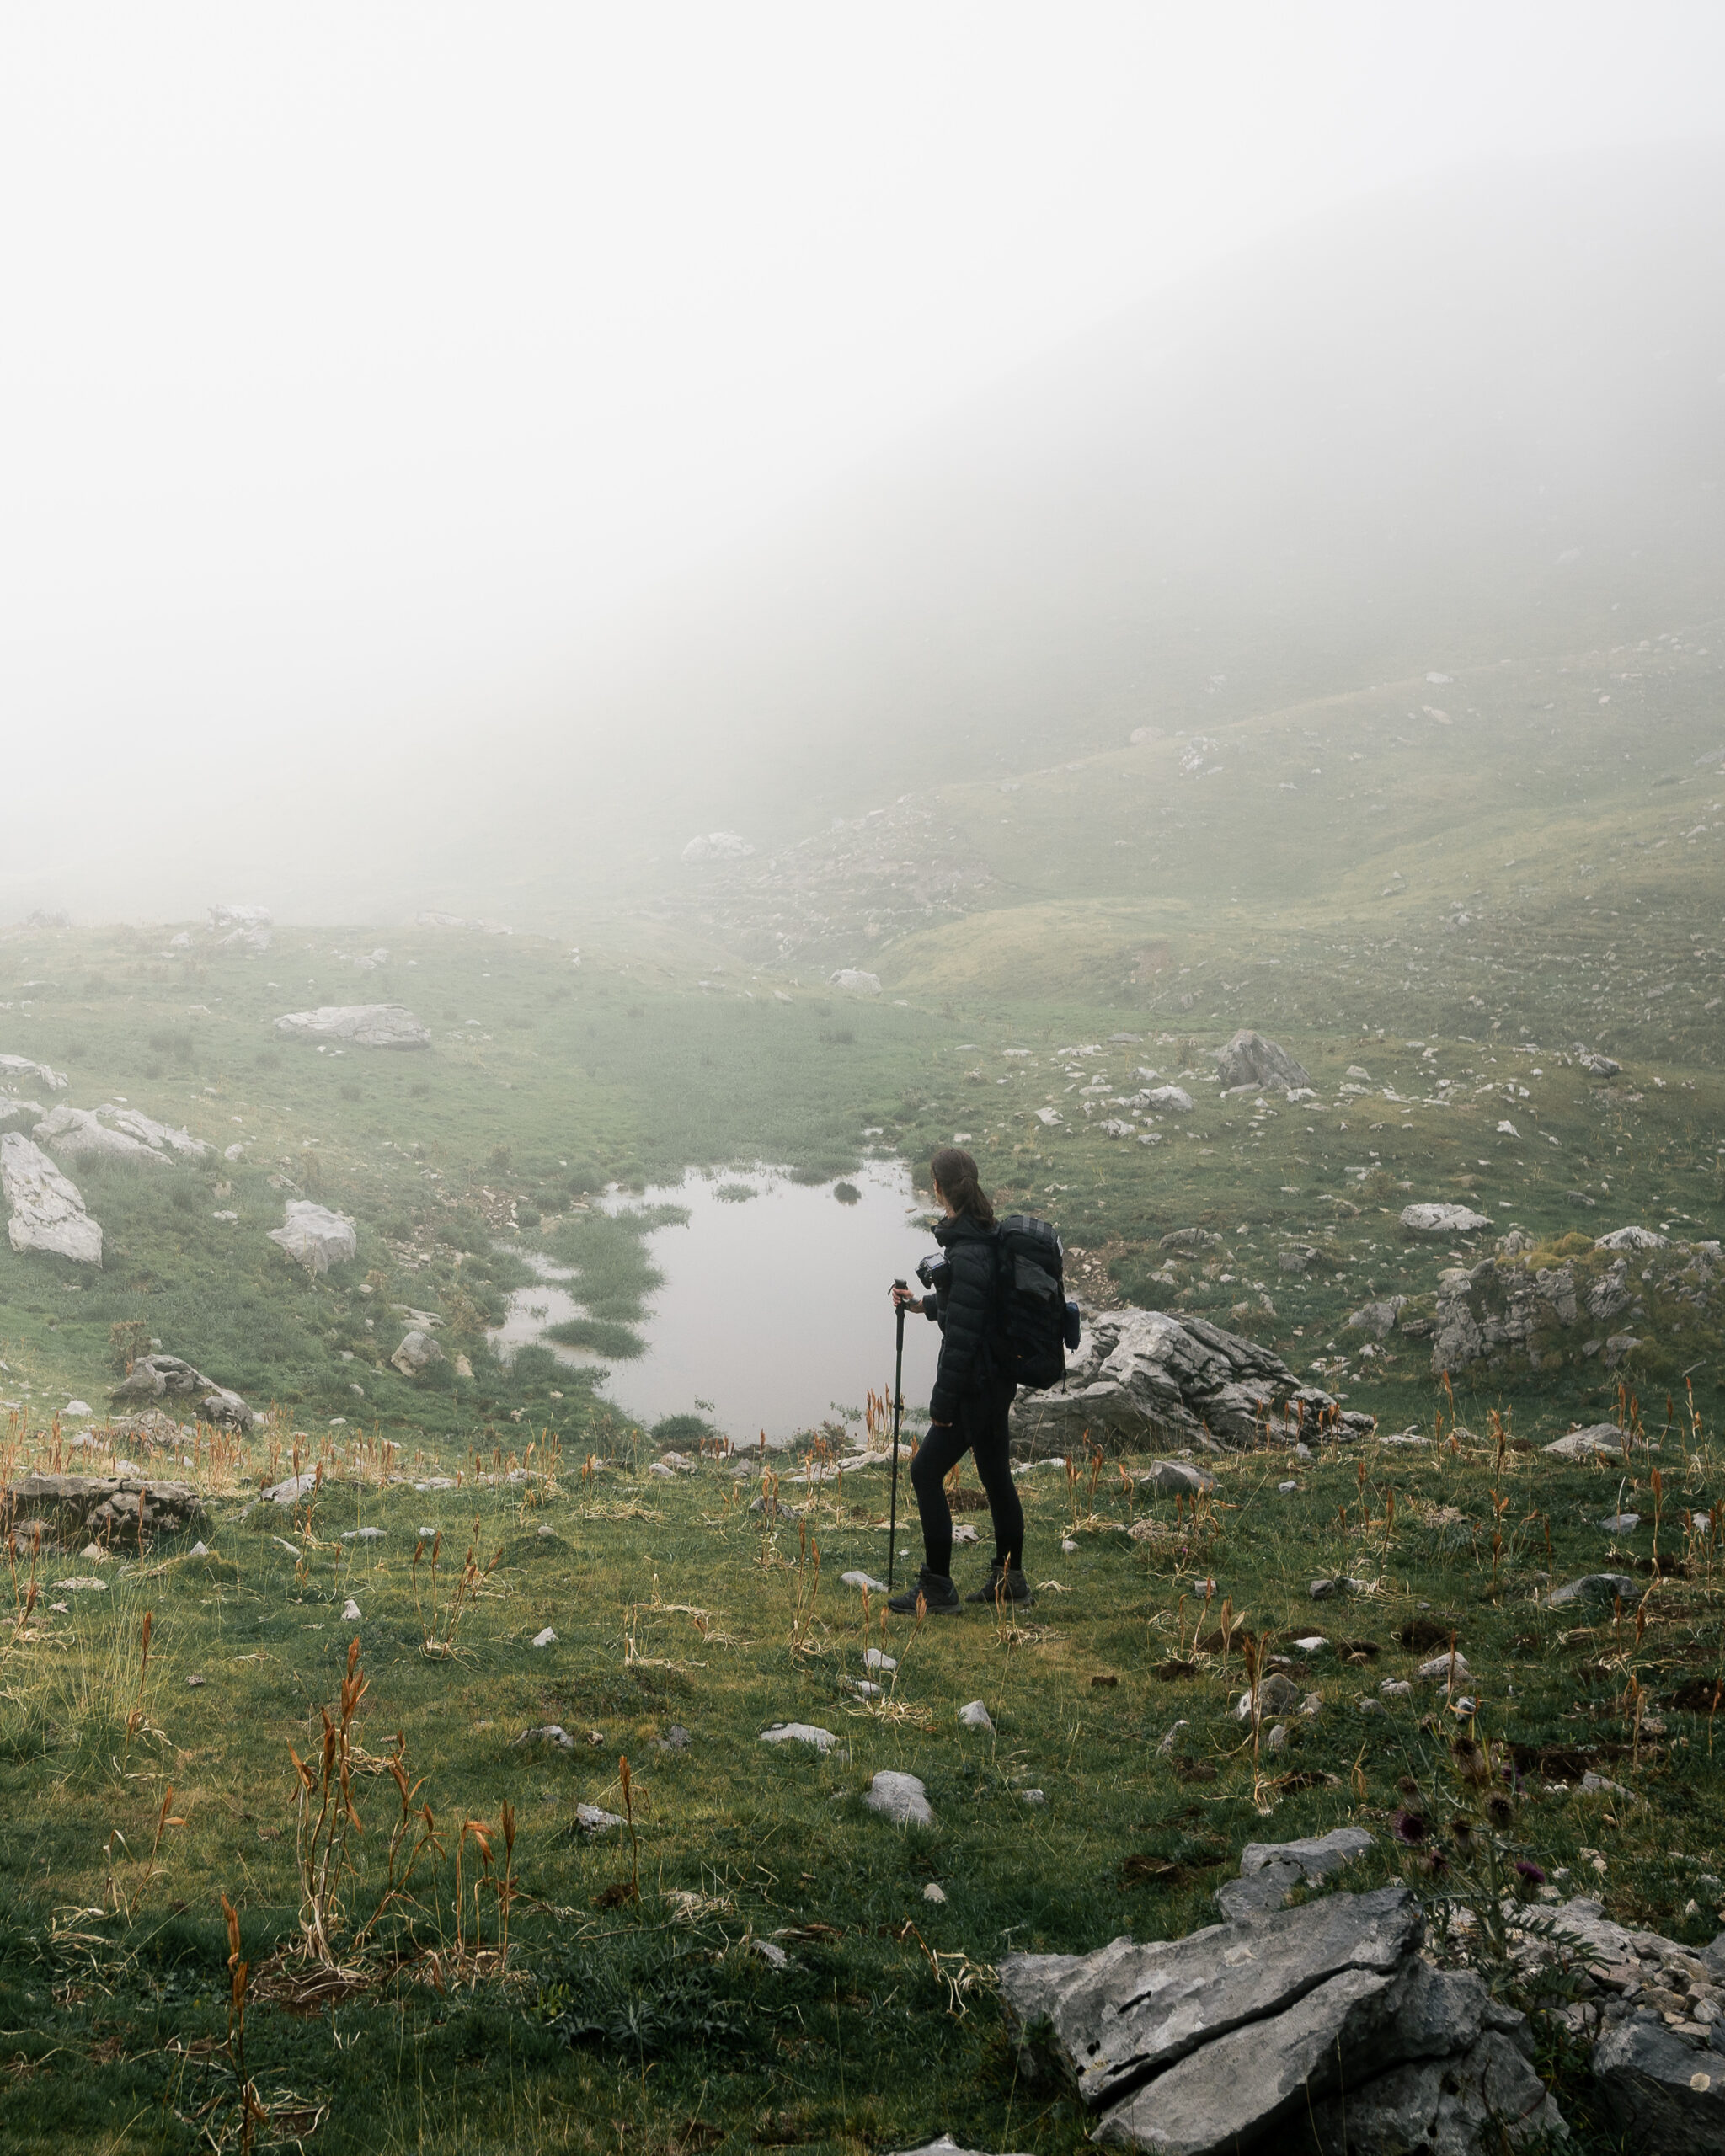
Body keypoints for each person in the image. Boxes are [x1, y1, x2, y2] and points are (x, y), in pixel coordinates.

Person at [886, 1145, 1032, 1614]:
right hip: (997, 1382)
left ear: (938, 1188)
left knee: (924, 1471)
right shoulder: (984, 1234)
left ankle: (937, 1587)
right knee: (996, 1475)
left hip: (974, 1387)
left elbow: (964, 1339)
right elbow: (970, 1308)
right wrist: (921, 1305)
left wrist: (942, 1407)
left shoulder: (967, 1250)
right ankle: (1010, 1580)